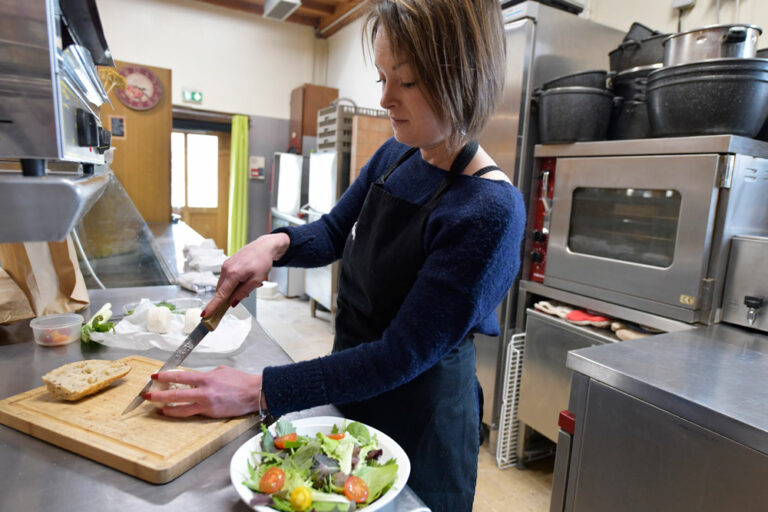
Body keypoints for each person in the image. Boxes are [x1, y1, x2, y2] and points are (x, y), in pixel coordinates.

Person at [145, 1, 525, 510]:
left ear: (466, 79)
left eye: (406, 81)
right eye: (382, 78)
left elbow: (402, 354)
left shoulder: (489, 210)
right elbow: (331, 232)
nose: (387, 98)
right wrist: (274, 245)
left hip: (422, 418)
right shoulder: (397, 154)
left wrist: (260, 389)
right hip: (351, 388)